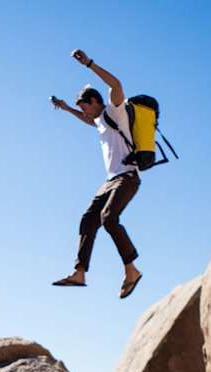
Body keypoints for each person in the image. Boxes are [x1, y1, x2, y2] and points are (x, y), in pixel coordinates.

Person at [51, 49, 144, 299]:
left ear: (94, 101)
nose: (86, 113)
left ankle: (131, 271)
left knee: (108, 218)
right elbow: (86, 120)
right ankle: (79, 273)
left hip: (128, 177)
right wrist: (67, 108)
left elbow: (116, 84)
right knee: (88, 220)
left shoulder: (115, 111)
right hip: (110, 181)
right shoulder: (99, 121)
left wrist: (89, 64)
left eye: (86, 107)